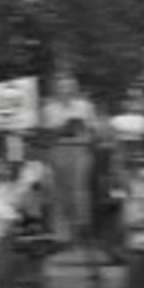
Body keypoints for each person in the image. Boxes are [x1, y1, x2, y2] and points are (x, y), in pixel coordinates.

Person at [41, 71, 96, 245]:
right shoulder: (48, 109)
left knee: (80, 189)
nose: (65, 89)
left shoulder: (85, 106)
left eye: (69, 85)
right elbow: (43, 135)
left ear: (75, 87)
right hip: (58, 150)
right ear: (56, 88)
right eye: (62, 86)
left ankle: (82, 229)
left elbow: (93, 131)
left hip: (80, 149)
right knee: (60, 191)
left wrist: (82, 132)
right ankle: (61, 234)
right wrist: (60, 129)